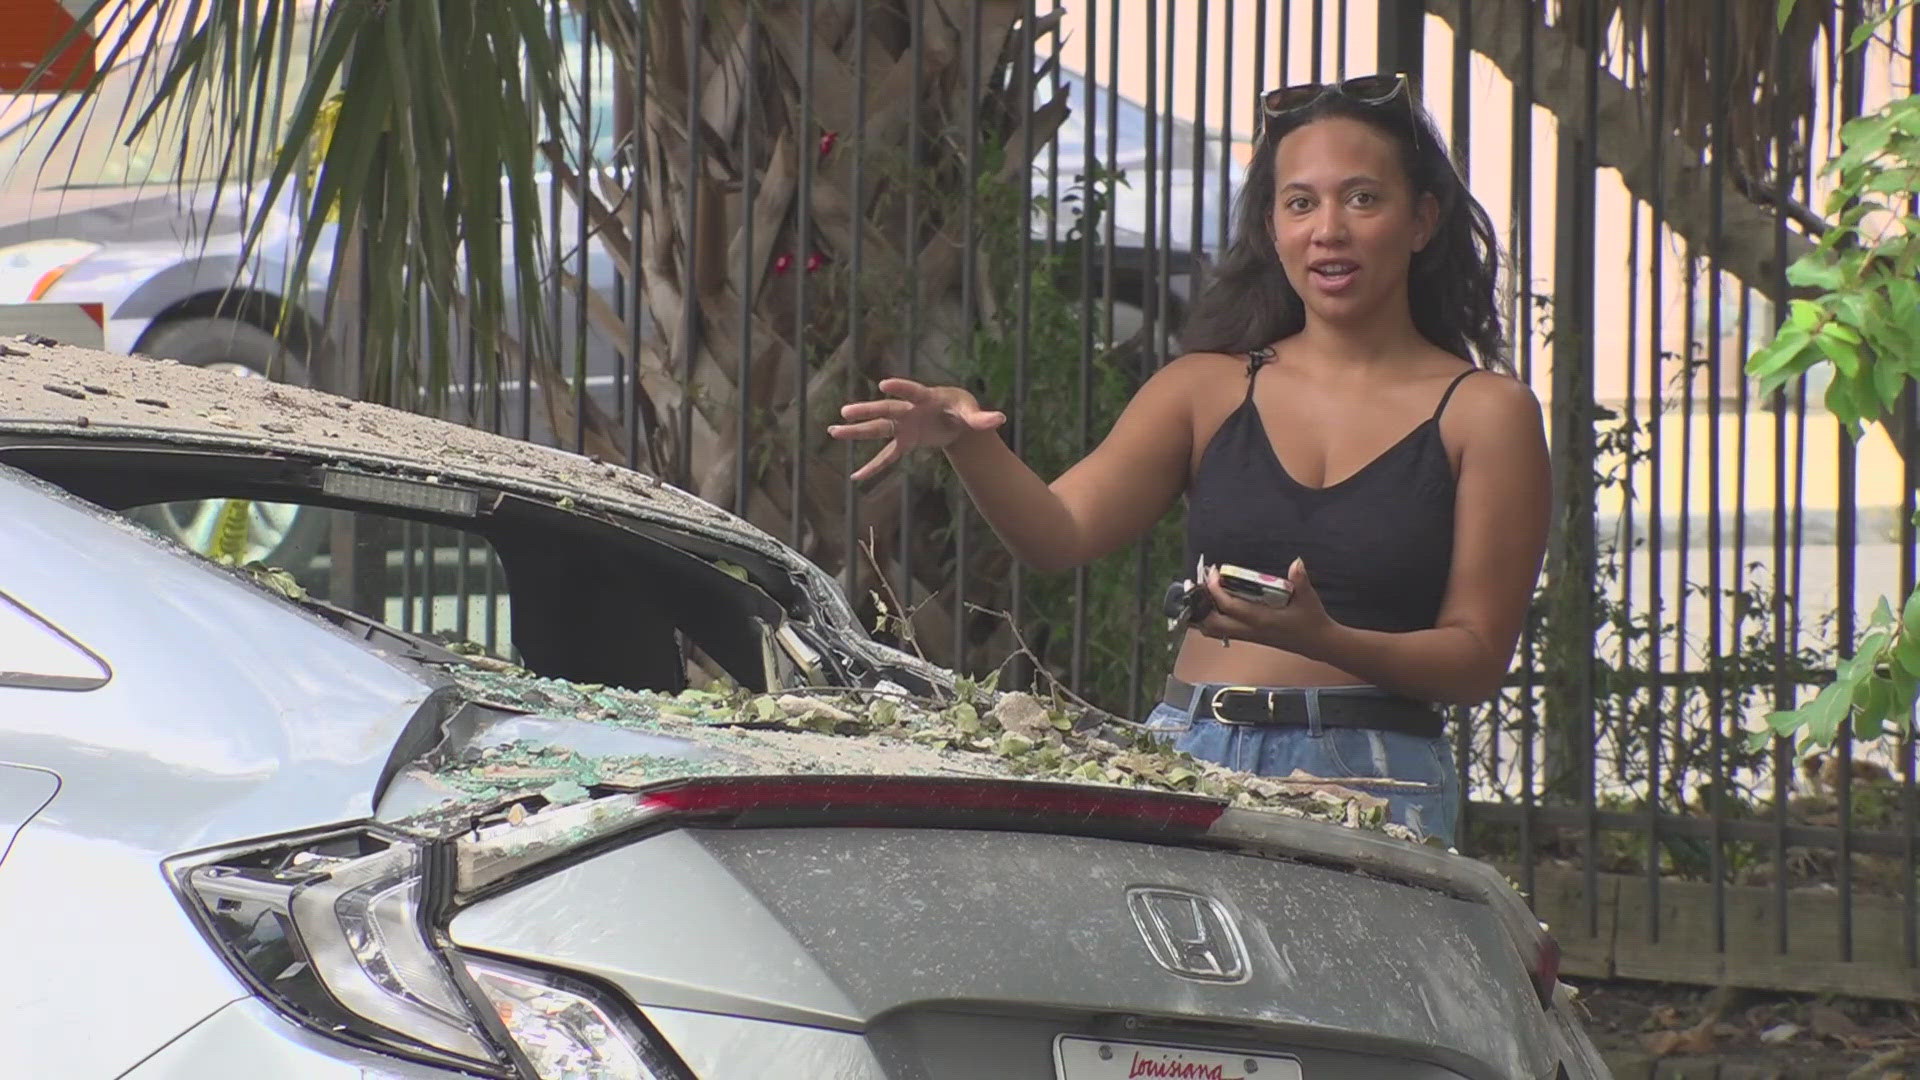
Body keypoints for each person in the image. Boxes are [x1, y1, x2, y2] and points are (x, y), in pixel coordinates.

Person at [826, 73, 1550, 846]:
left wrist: (1321, 637)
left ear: (1421, 220)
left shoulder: (1487, 413)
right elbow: (1058, 533)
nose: (1328, 229)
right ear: (1273, 229)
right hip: (1190, 754)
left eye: (1362, 199)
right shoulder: (1205, 388)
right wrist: (968, 440)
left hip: (1373, 775)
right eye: (1300, 203)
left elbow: (1475, 658)